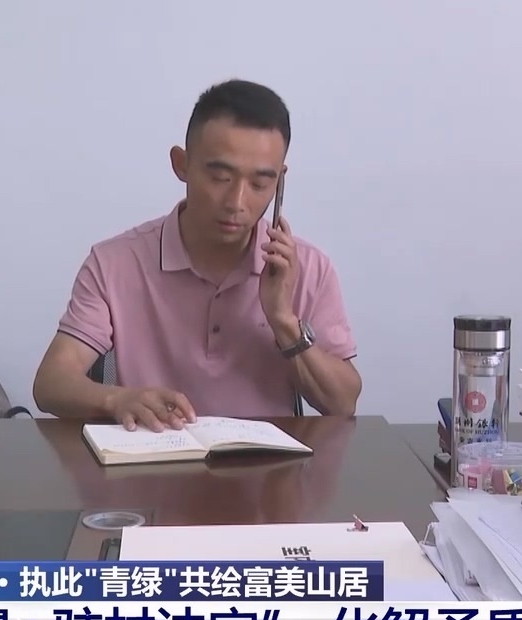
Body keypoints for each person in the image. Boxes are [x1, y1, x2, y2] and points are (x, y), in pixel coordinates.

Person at [32, 79, 361, 431]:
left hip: (269, 463)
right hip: (153, 456)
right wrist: (116, 399)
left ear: (279, 182)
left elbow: (343, 403)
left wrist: (284, 321)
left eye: (259, 184)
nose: (237, 202)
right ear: (182, 164)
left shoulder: (308, 268)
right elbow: (51, 383)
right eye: (220, 177)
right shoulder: (114, 263)